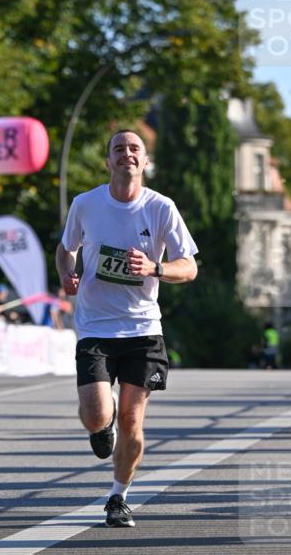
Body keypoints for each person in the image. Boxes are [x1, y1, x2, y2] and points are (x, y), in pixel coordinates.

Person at [56, 128, 198, 528]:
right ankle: (101, 424)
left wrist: (155, 268)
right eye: (118, 148)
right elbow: (66, 249)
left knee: (132, 421)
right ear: (108, 161)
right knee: (95, 415)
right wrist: (67, 273)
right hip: (95, 327)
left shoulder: (162, 208)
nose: (127, 153)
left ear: (145, 161)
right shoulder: (86, 204)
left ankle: (118, 497)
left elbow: (189, 266)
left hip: (143, 329)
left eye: (134, 148)